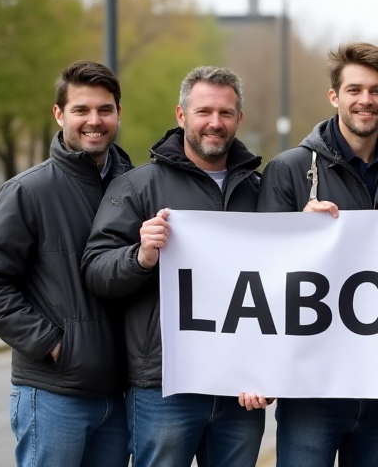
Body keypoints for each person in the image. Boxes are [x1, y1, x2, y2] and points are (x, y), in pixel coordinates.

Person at [249, 41, 378, 467]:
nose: (366, 100)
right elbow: (260, 275)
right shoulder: (288, 170)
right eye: (354, 90)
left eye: (376, 91)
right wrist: (298, 233)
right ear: (335, 96)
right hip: (313, 389)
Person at [82, 66, 265, 467]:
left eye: (225, 113)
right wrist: (141, 256)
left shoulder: (258, 190)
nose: (214, 123)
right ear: (181, 116)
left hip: (239, 389)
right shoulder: (137, 186)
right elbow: (96, 270)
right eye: (203, 112)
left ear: (239, 119)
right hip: (164, 387)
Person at [0, 60, 132, 467]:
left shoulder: (138, 187)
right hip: (53, 393)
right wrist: (52, 344)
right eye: (81, 110)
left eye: (105, 110)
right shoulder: (27, 191)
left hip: (120, 395)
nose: (94, 121)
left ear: (119, 113)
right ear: (59, 114)